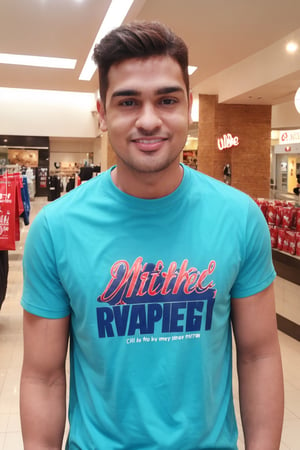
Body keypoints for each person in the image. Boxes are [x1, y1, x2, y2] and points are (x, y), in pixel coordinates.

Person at [20, 21, 284, 450]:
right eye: (127, 101)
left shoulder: (239, 217)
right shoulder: (56, 228)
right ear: (102, 114)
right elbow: (43, 376)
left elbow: (259, 356)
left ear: (189, 106)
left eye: (166, 100)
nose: (148, 120)